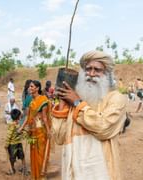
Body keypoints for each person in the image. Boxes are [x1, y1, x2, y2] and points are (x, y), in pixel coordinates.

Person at [51, 50, 126, 180]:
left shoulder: (116, 98)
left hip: (100, 172)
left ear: (107, 75)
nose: (91, 74)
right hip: (73, 172)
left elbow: (103, 128)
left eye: (97, 70)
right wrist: (63, 103)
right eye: (88, 69)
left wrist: (77, 103)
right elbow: (59, 137)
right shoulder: (75, 101)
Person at [19, 80, 51, 180]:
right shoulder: (31, 101)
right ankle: (35, 176)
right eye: (29, 86)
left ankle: (42, 176)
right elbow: (28, 117)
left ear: (37, 88)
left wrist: (49, 130)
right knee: (33, 153)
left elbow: (45, 117)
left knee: (40, 154)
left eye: (32, 86)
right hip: (32, 131)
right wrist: (21, 128)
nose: (30, 88)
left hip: (41, 131)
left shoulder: (43, 100)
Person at [5, 109, 27, 176]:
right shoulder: (12, 125)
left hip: (16, 144)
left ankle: (22, 168)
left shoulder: (18, 125)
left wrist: (25, 134)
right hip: (13, 145)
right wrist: (6, 144)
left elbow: (21, 132)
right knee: (15, 157)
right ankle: (13, 169)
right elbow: (9, 135)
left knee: (18, 156)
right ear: (19, 117)